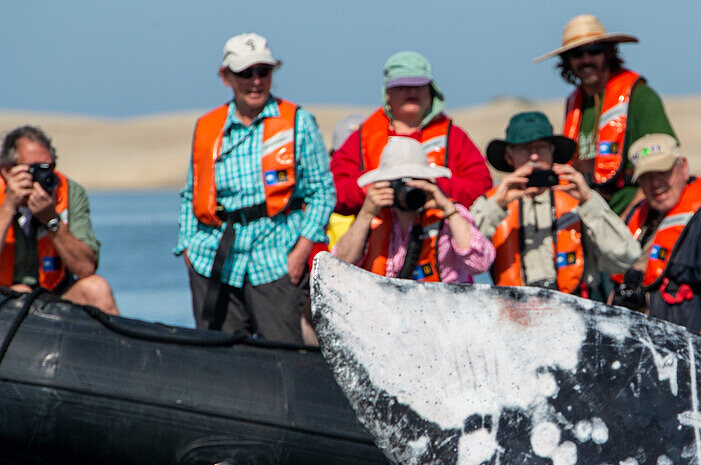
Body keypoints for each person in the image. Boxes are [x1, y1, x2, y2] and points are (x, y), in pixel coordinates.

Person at [177, 33, 335, 344]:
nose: (256, 81)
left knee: (284, 353)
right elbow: (190, 194)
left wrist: (301, 251)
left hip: (276, 257)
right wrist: (187, 246)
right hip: (213, 258)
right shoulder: (209, 127)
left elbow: (322, 192)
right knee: (216, 358)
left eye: (263, 72)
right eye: (245, 73)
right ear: (226, 77)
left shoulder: (297, 122)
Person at [470, 111, 640, 299]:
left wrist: (589, 202)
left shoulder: (579, 198)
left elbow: (627, 256)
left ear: (553, 152)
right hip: (515, 314)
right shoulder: (493, 202)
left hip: (574, 308)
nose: (534, 156)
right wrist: (495, 206)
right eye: (524, 148)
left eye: (541, 147)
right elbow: (464, 260)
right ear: (509, 156)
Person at [615, 134, 701, 352]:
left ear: (683, 167)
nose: (656, 184)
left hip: (688, 358)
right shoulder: (640, 219)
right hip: (641, 354)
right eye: (647, 177)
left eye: (663, 172)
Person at [534, 14, 677, 215]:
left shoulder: (640, 97)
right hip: (585, 215)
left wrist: (629, 221)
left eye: (594, 51)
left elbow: (667, 161)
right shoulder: (573, 104)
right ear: (567, 61)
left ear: (609, 53)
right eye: (576, 54)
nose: (586, 60)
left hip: (632, 214)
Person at [329, 51, 491, 216]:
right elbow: (332, 192)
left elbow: (482, 189)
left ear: (431, 91)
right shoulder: (363, 138)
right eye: (402, 87)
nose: (411, 92)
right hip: (379, 237)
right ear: (387, 93)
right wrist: (370, 188)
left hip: (440, 236)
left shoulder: (454, 137)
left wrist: (435, 186)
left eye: (418, 86)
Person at [333, 137, 493, 282]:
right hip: (383, 309)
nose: (407, 191)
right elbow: (338, 266)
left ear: (428, 181)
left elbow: (480, 264)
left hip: (441, 308)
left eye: (414, 181)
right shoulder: (372, 219)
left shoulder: (449, 215)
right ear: (384, 183)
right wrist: (366, 214)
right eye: (399, 183)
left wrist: (449, 209)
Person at [0, 126, 119, 314]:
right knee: (20, 293)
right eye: (33, 169)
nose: (41, 177)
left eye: (48, 168)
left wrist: (51, 220)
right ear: (7, 170)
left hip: (55, 294)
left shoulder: (69, 193)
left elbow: (85, 268)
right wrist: (8, 206)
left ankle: (117, 343)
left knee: (97, 288)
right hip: (6, 299)